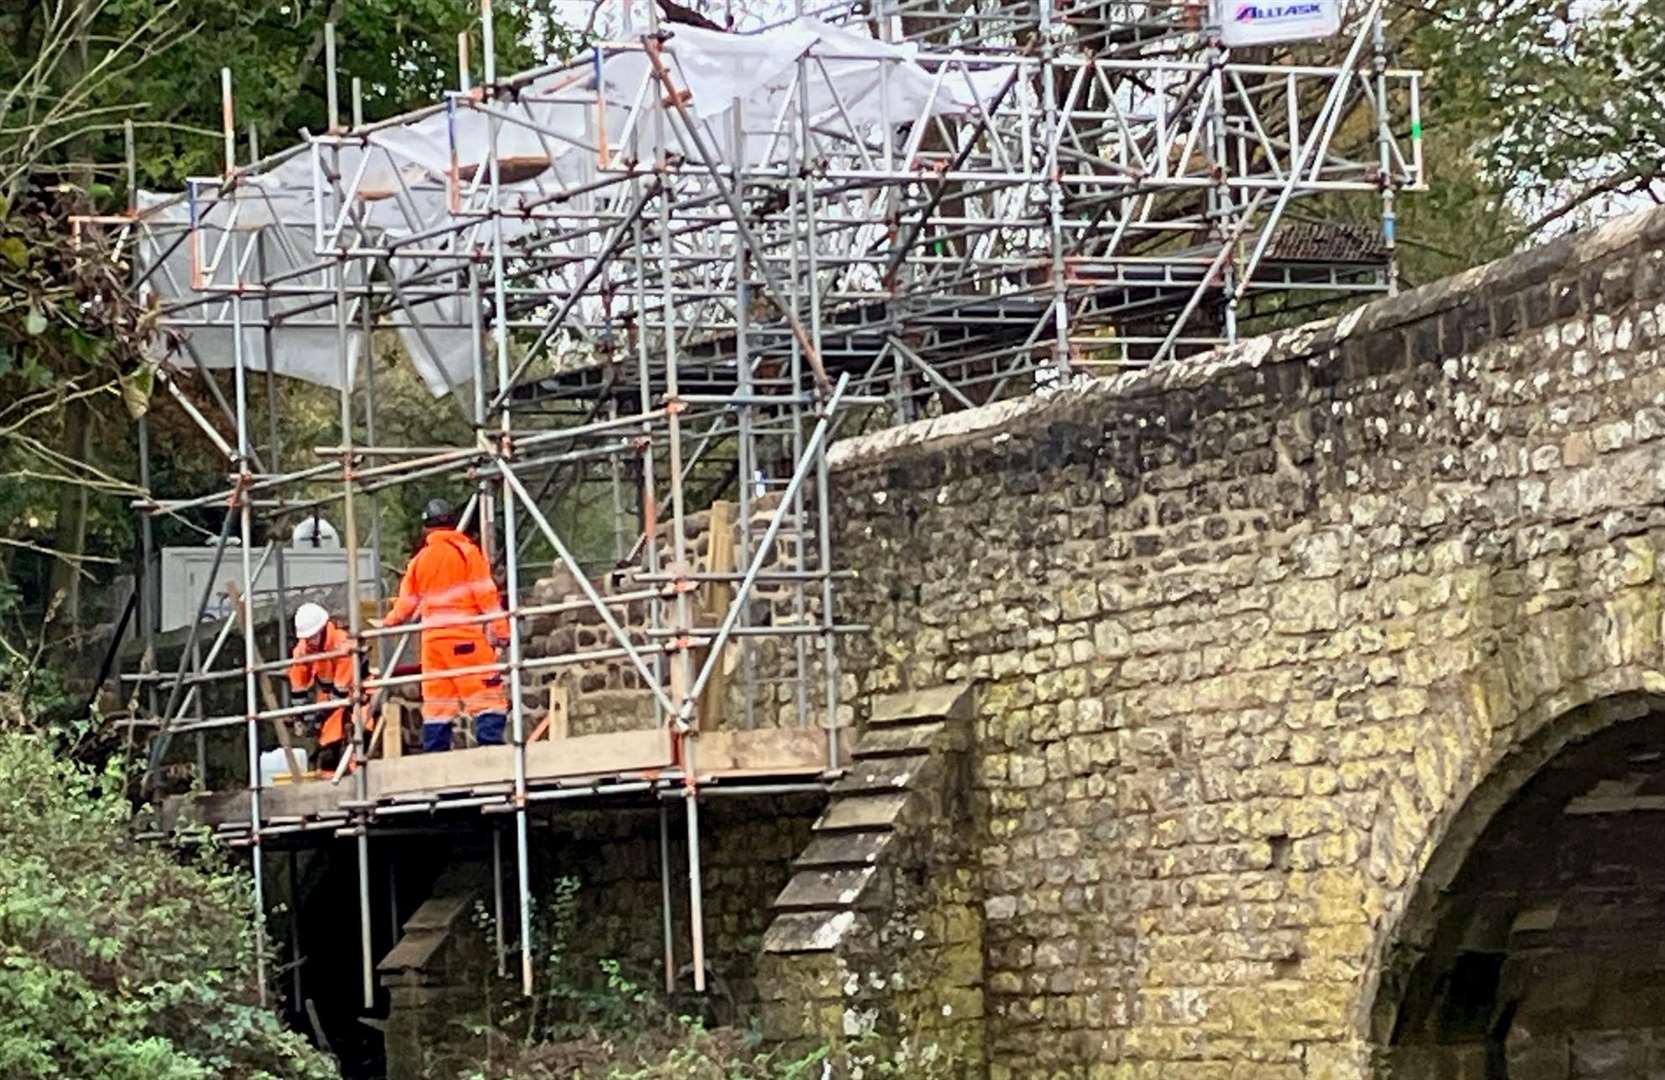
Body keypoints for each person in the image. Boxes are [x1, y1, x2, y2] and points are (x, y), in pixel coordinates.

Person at [380, 499, 510, 752]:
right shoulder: (466, 553)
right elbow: (486, 595)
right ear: (452, 523)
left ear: (426, 528)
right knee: (486, 695)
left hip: (433, 644)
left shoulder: (420, 561)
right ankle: (492, 753)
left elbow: (406, 604)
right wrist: (502, 631)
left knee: (438, 702)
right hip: (464, 639)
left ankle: (436, 758)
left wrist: (387, 623)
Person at [288, 601, 365, 773]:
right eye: (306, 638)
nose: (310, 642)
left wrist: (319, 717)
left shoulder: (342, 645)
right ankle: (329, 783)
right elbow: (298, 682)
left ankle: (357, 777)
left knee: (359, 732)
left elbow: (342, 689)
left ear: (323, 629)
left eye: (312, 637)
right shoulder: (303, 648)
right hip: (329, 695)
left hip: (356, 693)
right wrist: (298, 715)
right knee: (328, 747)